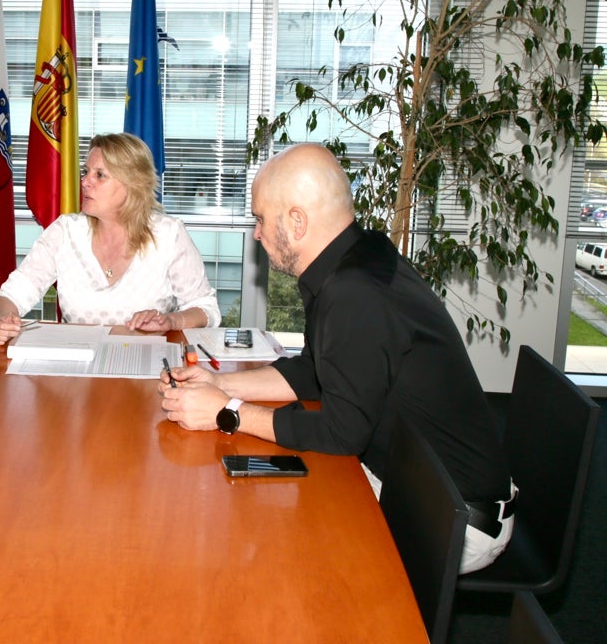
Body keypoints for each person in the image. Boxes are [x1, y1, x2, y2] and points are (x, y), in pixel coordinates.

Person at [159, 142, 514, 573]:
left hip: (451, 516)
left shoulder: (355, 293)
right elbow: (314, 370)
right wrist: (221, 386)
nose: (256, 233)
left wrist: (228, 413)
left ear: (297, 222)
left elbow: (343, 433)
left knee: (254, 543)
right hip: (413, 477)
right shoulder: (356, 259)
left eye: (260, 219)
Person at [0, 132, 221, 345]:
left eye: (100, 175)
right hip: (76, 374)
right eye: (85, 172)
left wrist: (171, 321)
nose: (85, 182)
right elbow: (9, 297)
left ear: (133, 186)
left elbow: (206, 309)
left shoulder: (169, 235)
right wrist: (1, 321)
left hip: (145, 375)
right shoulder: (65, 232)